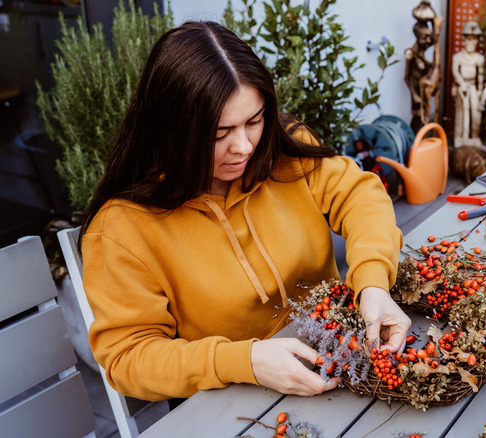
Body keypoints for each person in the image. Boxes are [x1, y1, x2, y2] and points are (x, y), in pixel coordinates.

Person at [79, 21, 411, 402]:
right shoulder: (122, 229)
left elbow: (359, 194)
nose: (244, 147)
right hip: (234, 404)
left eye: (254, 121)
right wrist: (244, 360)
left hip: (341, 363)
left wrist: (371, 282)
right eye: (219, 134)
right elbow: (128, 358)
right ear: (170, 130)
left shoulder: (284, 150)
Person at [451, 21, 486, 148]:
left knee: (476, 113)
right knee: (460, 113)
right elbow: (455, 71)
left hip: (472, 88)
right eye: (468, 39)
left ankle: (474, 137)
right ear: (464, 40)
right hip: (462, 87)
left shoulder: (479, 58)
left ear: (477, 41)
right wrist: (461, 83)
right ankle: (459, 138)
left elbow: (480, 75)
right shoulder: (458, 57)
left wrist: (479, 91)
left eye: (474, 40)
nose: (471, 43)